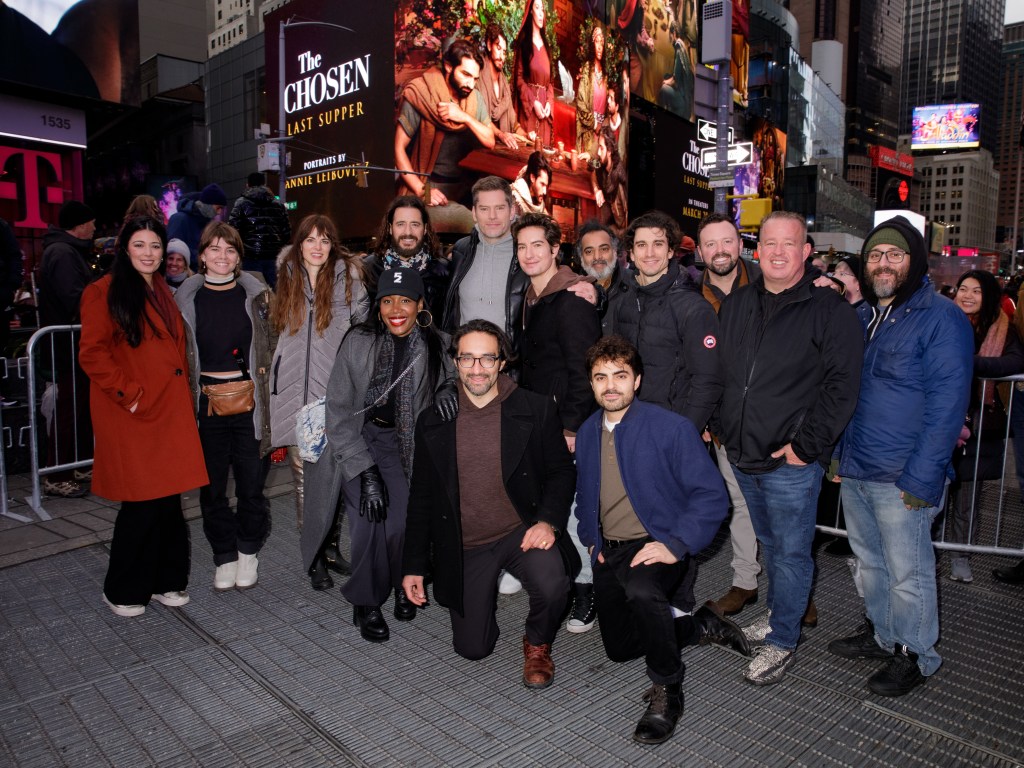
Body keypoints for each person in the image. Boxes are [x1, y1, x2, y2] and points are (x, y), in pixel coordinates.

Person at [575, 335, 747, 744]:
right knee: (618, 649)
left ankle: (668, 690)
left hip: (659, 542)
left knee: (642, 591)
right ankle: (699, 625)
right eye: (601, 377)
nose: (611, 385)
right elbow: (585, 492)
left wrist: (674, 544)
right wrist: (592, 540)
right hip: (609, 550)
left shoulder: (671, 428)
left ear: (637, 381)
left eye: (621, 375)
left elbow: (710, 496)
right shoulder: (586, 431)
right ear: (591, 384)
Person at [716, 210, 862, 685]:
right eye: (769, 244)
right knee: (773, 546)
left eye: (789, 244)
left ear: (806, 253)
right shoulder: (738, 303)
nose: (777, 252)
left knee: (792, 553)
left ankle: (782, 641)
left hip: (790, 461)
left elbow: (842, 387)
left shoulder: (829, 310)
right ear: (757, 251)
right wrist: (720, 425)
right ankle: (781, 616)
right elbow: (724, 371)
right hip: (742, 451)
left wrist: (806, 447)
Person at [828, 216, 973, 697]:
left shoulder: (940, 317)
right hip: (860, 466)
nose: (883, 263)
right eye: (875, 255)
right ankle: (883, 633)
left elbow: (947, 408)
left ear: (914, 262)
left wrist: (923, 477)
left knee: (908, 571)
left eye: (894, 255)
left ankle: (915, 653)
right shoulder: (864, 316)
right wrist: (838, 456)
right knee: (871, 563)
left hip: (904, 475)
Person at [402, 319, 574, 687]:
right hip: (466, 544)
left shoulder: (535, 408)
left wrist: (548, 521)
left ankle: (537, 643)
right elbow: (421, 497)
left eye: (486, 359)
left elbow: (562, 471)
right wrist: (414, 565)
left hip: (519, 529)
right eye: (467, 359)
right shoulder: (433, 420)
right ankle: (481, 607)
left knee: (553, 583)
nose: (477, 369)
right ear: (455, 362)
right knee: (473, 648)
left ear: (502, 363)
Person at [303, 268, 457, 643]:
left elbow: (455, 376)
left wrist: (446, 390)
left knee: (404, 520)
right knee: (370, 520)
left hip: (405, 445)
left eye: (405, 300)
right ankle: (366, 602)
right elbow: (337, 413)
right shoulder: (358, 341)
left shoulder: (438, 343)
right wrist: (364, 471)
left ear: (421, 304)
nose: (396, 309)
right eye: (387, 300)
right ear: (378, 306)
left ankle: (407, 582)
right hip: (356, 440)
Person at [78, 216, 208, 617]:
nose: (149, 253)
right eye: (140, 245)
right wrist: (130, 396)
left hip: (168, 411)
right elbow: (92, 353)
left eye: (155, 245)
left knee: (168, 501)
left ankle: (166, 580)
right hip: (133, 413)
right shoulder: (103, 292)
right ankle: (122, 588)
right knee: (141, 503)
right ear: (125, 248)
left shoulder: (161, 292)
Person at [269, 214, 369, 589]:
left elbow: (363, 335)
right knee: (302, 481)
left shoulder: (350, 283)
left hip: (334, 397)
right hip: (294, 398)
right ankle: (312, 554)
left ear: (333, 245)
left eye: (324, 240)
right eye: (309, 239)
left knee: (335, 477)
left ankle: (328, 547)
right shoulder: (282, 281)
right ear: (299, 243)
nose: (316, 246)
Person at [176, 221, 274, 592]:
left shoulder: (259, 297)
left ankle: (248, 550)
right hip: (205, 406)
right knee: (213, 489)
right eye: (214, 249)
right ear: (201, 256)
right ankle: (224, 555)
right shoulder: (185, 300)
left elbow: (276, 345)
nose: (222, 256)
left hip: (250, 404)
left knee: (251, 485)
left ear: (238, 257)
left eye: (230, 250)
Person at [514, 212, 600, 630]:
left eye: (537, 246)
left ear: (554, 250)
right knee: (547, 500)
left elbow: (585, 371)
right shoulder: (532, 297)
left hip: (567, 426)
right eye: (522, 246)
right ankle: (556, 574)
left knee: (573, 510)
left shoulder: (571, 300)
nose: (529, 254)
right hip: (539, 421)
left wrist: (570, 426)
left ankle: (586, 589)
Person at [442, 176, 597, 356]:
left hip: (512, 366)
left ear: (512, 211)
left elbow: (561, 279)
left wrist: (597, 295)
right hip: (467, 364)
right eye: (484, 209)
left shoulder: (527, 252)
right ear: (474, 213)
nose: (492, 216)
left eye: (499, 208)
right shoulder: (461, 251)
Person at [696, 213, 762, 617]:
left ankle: (797, 590)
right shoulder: (688, 292)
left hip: (771, 416)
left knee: (783, 506)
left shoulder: (770, 283)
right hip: (721, 420)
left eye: (727, 242)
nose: (720, 251)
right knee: (738, 501)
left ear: (740, 245)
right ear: (699, 249)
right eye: (711, 244)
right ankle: (745, 581)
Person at [603, 210, 721, 432]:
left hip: (671, 427)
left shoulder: (693, 308)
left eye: (658, 244)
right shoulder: (624, 303)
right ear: (631, 253)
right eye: (641, 245)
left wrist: (684, 432)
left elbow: (708, 380)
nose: (649, 253)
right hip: (629, 423)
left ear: (670, 251)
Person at [944, 270, 1024, 585]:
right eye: (963, 288)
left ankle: (961, 556)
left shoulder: (1004, 330)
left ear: (988, 295)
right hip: (942, 421)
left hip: (979, 427)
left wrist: (968, 362)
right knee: (933, 493)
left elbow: (1014, 363)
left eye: (976, 291)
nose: (967, 295)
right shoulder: (943, 322)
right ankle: (929, 547)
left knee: (968, 497)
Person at [395, 37, 494, 223]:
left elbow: (490, 140)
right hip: (428, 187)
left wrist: (463, 117)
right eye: (465, 74)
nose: (470, 84)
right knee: (469, 223)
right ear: (449, 66)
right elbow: (398, 149)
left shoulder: (474, 99)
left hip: (464, 188)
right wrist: (421, 191)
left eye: (475, 79)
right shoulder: (422, 94)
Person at [38, 200, 97, 498]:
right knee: (68, 410)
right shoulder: (62, 253)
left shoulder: (66, 251)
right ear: (79, 224)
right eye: (91, 222)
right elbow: (75, 301)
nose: (95, 227)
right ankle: (56, 473)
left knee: (80, 407)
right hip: (67, 345)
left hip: (73, 343)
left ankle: (76, 465)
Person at [364, 195, 450, 321]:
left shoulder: (443, 272)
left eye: (415, 224)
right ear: (390, 228)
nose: (408, 232)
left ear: (425, 229)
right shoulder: (368, 270)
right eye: (400, 224)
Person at [228, 171, 292, 287]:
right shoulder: (278, 205)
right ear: (264, 184)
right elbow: (286, 232)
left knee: (251, 290)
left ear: (247, 185)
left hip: (250, 257)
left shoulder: (241, 203)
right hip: (273, 257)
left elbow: (232, 231)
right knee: (275, 291)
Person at [512, 0, 555, 146]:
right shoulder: (524, 43)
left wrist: (549, 103)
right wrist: (533, 102)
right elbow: (518, 79)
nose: (541, 13)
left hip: (544, 113)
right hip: (529, 110)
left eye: (543, 9)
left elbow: (550, 83)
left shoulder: (547, 47)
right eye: (537, 8)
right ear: (530, 11)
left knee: (542, 156)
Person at [480, 22, 522, 149]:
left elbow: (514, 124)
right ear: (489, 45)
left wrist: (527, 135)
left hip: (502, 147)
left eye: (504, 52)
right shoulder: (478, 76)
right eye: (498, 49)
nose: (502, 56)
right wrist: (501, 134)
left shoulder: (504, 83)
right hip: (482, 144)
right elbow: (480, 117)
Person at [168, 184, 228, 268]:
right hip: (183, 273)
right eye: (218, 208)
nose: (219, 212)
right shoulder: (179, 219)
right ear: (207, 204)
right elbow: (174, 250)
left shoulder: (208, 222)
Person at [575, 22, 607, 159]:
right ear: (592, 44)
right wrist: (594, 124)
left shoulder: (606, 75)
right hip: (588, 130)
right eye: (597, 42)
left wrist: (602, 126)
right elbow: (580, 102)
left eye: (602, 43)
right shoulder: (588, 69)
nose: (599, 47)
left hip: (601, 135)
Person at [592, 125, 627, 231]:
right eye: (599, 147)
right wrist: (597, 190)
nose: (598, 152)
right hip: (611, 225)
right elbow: (593, 173)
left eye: (601, 148)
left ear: (610, 151)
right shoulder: (602, 165)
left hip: (621, 230)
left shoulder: (619, 179)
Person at [658, 22, 694, 120]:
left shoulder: (679, 47)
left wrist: (665, 82)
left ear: (673, 33)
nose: (670, 38)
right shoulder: (683, 46)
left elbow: (675, 79)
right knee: (666, 75)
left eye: (670, 34)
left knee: (663, 88)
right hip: (684, 94)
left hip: (682, 102)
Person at [574, 219, 621, 292]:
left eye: (604, 249)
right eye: (589, 251)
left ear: (614, 251)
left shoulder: (635, 285)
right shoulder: (571, 291)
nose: (597, 257)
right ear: (581, 256)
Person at [510, 151, 551, 216]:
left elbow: (542, 209)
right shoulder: (517, 201)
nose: (544, 191)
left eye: (545, 185)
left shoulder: (536, 194)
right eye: (542, 184)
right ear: (532, 178)